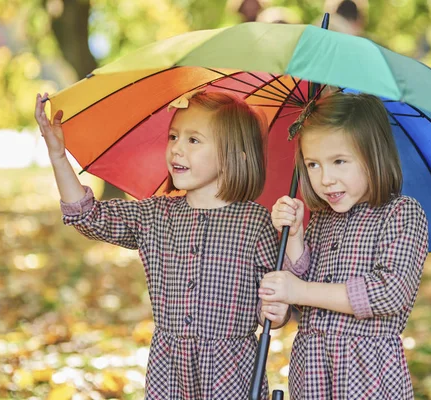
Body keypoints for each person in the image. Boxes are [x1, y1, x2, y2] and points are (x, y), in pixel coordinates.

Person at [35, 90, 289, 399]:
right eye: (173, 137)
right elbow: (89, 217)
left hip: (232, 371)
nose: (177, 149)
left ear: (234, 155)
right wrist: (59, 157)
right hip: (169, 369)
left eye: (193, 140)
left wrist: (276, 312)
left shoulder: (256, 223)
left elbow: (272, 302)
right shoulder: (156, 214)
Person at [260, 92, 428, 399]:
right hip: (311, 367)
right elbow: (303, 290)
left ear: (373, 156)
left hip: (367, 370)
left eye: (339, 161)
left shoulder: (401, 213)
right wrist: (295, 236)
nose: (325, 179)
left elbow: (388, 293)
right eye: (313, 164)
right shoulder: (324, 219)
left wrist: (299, 289)